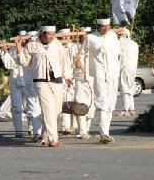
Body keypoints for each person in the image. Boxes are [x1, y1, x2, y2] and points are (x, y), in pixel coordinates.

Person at [15, 25, 73, 147]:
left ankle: (45, 136)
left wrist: (67, 76)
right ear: (42, 33)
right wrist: (19, 48)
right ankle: (53, 139)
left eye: (53, 34)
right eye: (49, 34)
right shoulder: (32, 45)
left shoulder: (57, 44)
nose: (52, 37)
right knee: (48, 109)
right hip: (40, 81)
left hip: (57, 80)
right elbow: (23, 62)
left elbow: (63, 61)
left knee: (57, 111)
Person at [84, 15, 121, 144]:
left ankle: (107, 131)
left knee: (111, 104)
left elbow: (118, 54)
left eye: (108, 26)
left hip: (113, 73)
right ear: (99, 26)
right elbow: (83, 53)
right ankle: (103, 133)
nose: (106, 29)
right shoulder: (90, 37)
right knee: (102, 102)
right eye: (104, 26)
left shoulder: (113, 36)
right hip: (99, 74)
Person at [0, 29, 31, 138]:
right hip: (15, 82)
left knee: (30, 108)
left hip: (27, 82)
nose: (21, 40)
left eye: (23, 37)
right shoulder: (12, 49)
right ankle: (18, 130)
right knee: (16, 107)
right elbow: (9, 65)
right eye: (20, 37)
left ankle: (32, 129)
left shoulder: (30, 49)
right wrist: (5, 51)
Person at [58, 28, 80, 134]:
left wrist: (73, 77)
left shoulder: (74, 47)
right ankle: (65, 127)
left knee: (75, 101)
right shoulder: (58, 48)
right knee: (65, 102)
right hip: (63, 79)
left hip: (74, 78)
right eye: (64, 36)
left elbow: (77, 63)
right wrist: (65, 78)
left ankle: (75, 126)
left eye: (68, 36)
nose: (66, 38)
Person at [118, 28, 139, 116]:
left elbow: (119, 57)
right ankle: (132, 109)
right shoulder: (135, 44)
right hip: (133, 70)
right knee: (130, 89)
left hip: (124, 69)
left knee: (124, 89)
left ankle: (125, 109)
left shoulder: (121, 44)